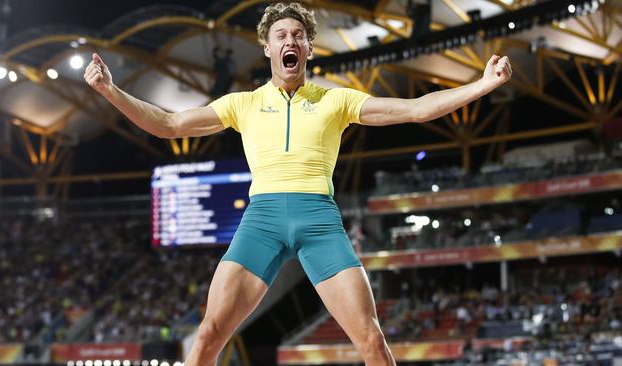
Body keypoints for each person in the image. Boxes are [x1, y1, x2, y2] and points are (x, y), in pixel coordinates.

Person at [84, 3, 512, 365]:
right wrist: (109, 90)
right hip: (261, 223)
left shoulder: (336, 100)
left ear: (308, 46)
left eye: (298, 34)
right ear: (267, 47)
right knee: (209, 332)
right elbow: (169, 124)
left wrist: (483, 83)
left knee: (372, 340)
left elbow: (417, 109)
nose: (290, 41)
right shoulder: (243, 104)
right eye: (281, 35)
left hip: (319, 222)